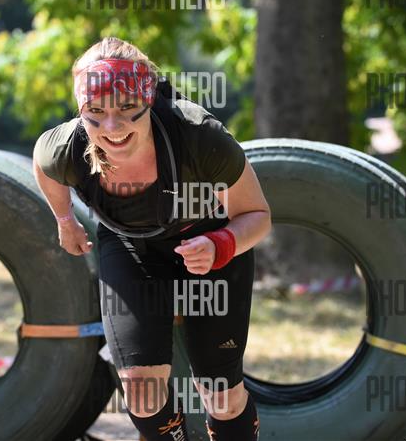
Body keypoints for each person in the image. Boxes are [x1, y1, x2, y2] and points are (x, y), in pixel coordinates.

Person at [33, 37, 271, 441]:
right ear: (82, 110)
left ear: (147, 100)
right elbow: (44, 165)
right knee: (142, 394)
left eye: (127, 108)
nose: (112, 128)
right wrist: (65, 219)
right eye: (96, 112)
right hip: (131, 248)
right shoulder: (68, 146)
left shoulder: (199, 136)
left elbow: (258, 216)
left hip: (208, 245)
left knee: (221, 396)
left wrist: (221, 245)